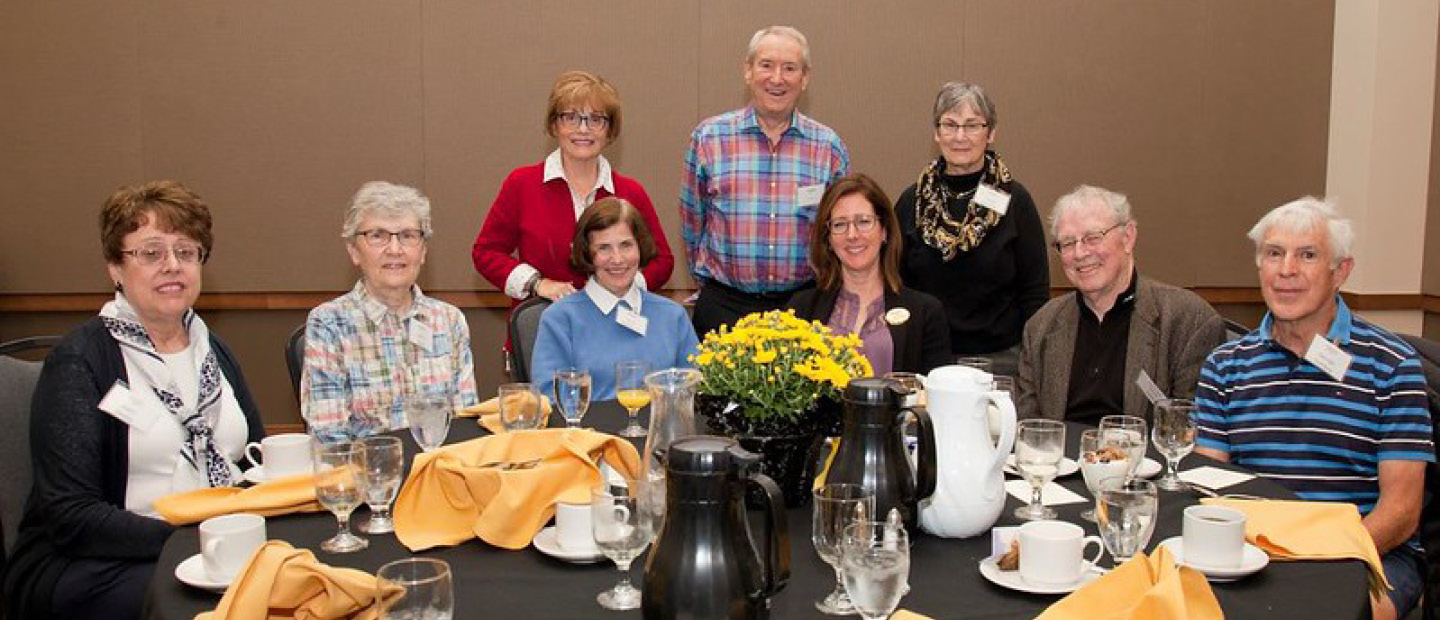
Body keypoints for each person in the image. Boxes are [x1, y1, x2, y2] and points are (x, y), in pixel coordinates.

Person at [4, 181, 265, 620]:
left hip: (213, 546)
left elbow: (258, 462)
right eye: (150, 252)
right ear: (115, 268)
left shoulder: (212, 350)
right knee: (230, 605)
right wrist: (190, 538)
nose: (171, 265)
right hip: (101, 561)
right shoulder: (81, 361)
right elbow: (71, 515)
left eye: (186, 251)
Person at [1193, 197, 1433, 620]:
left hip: (1366, 553)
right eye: (1274, 254)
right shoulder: (1225, 366)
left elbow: (1401, 511)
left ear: (1340, 272)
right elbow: (1208, 485)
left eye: (1307, 255)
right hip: (1250, 553)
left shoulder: (1392, 365)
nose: (1287, 270)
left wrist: (1317, 556)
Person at [681, 25, 850, 340]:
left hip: (803, 306)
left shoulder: (828, 147)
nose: (777, 78)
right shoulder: (709, 138)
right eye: (766, 65)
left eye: (790, 68)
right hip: (725, 307)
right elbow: (692, 223)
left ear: (805, 78)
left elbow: (840, 229)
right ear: (748, 71)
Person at [1016, 185, 1224, 424]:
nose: (1080, 253)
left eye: (1093, 238)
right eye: (1068, 243)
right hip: (1061, 460)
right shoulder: (1040, 327)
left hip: (1146, 460)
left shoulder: (1189, 321)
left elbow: (1189, 432)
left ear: (1128, 237)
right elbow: (1030, 431)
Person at [472, 70, 673, 304]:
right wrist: (537, 283)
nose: (583, 129)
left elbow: (663, 262)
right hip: (541, 325)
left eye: (596, 119)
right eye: (571, 117)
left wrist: (619, 287)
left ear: (610, 130)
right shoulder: (521, 184)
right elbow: (486, 253)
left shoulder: (630, 192)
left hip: (616, 328)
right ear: (554, 126)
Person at [302, 182, 478, 443]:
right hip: (368, 477)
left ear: (423, 251)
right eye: (377, 236)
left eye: (407, 236)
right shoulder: (329, 324)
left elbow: (465, 424)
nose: (395, 249)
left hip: (439, 474)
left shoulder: (449, 320)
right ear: (354, 251)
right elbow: (330, 439)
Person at [894, 82, 1049, 376]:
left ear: (990, 133)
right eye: (950, 125)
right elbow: (895, 284)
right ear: (936, 133)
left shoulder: (1016, 201)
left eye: (972, 125)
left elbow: (1034, 291)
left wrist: (1033, 362)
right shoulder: (911, 202)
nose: (960, 136)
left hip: (1002, 360)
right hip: (927, 357)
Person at [530, 197, 699, 401]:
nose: (617, 259)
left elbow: (695, 391)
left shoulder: (673, 316)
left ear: (640, 247)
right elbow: (550, 398)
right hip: (588, 432)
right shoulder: (559, 319)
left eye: (626, 245)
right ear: (587, 254)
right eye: (604, 248)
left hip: (661, 431)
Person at [787, 174, 951, 376]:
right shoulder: (800, 310)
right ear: (828, 238)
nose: (852, 235)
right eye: (839, 225)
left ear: (884, 231)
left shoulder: (926, 313)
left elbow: (934, 398)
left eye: (863, 222)